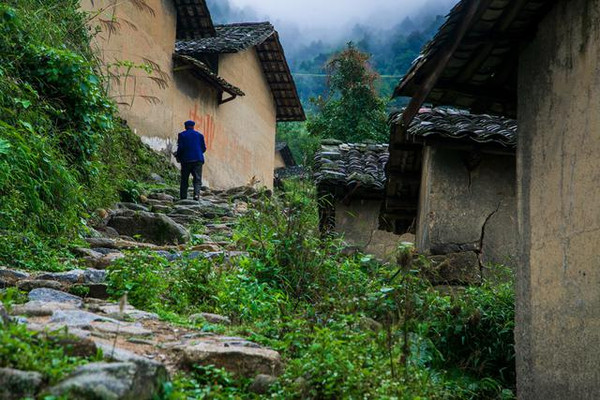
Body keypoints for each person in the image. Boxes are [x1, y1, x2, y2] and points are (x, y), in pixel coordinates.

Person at [175, 120, 206, 200]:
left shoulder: (182, 135)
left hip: (186, 160)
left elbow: (180, 148)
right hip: (198, 159)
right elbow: (203, 148)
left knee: (184, 178)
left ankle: (183, 196)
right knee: (197, 178)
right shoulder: (200, 135)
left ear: (185, 127)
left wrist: (178, 156)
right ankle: (196, 195)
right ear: (193, 126)